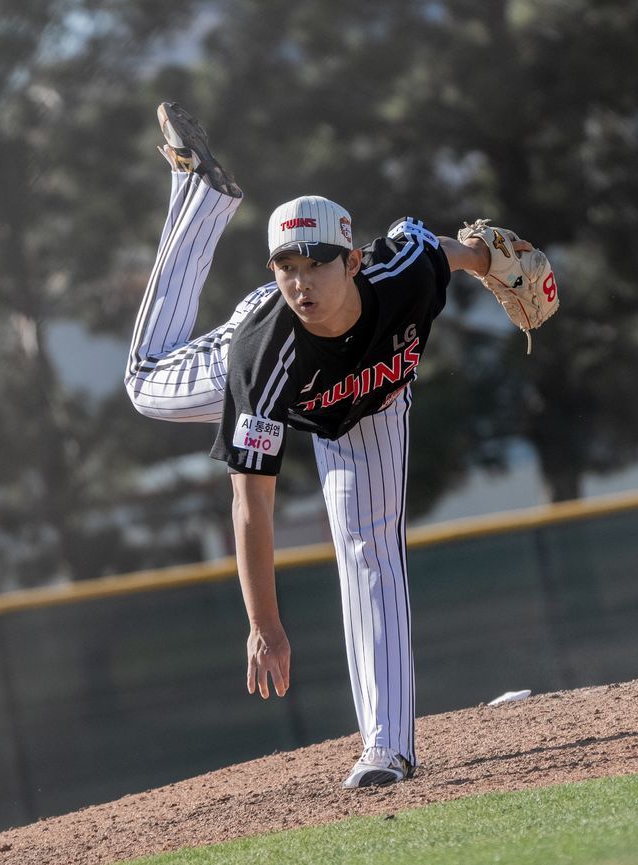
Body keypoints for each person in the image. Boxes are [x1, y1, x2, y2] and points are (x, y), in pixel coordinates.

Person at [125, 102, 536, 788]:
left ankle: (387, 748)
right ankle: (199, 196)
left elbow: (438, 248)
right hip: (281, 379)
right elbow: (252, 504)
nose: (300, 279)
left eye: (315, 262)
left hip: (372, 401)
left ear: (351, 259)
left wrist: (489, 258)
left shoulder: (401, 279)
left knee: (370, 548)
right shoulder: (263, 354)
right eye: (285, 264)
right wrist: (265, 622)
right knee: (142, 384)